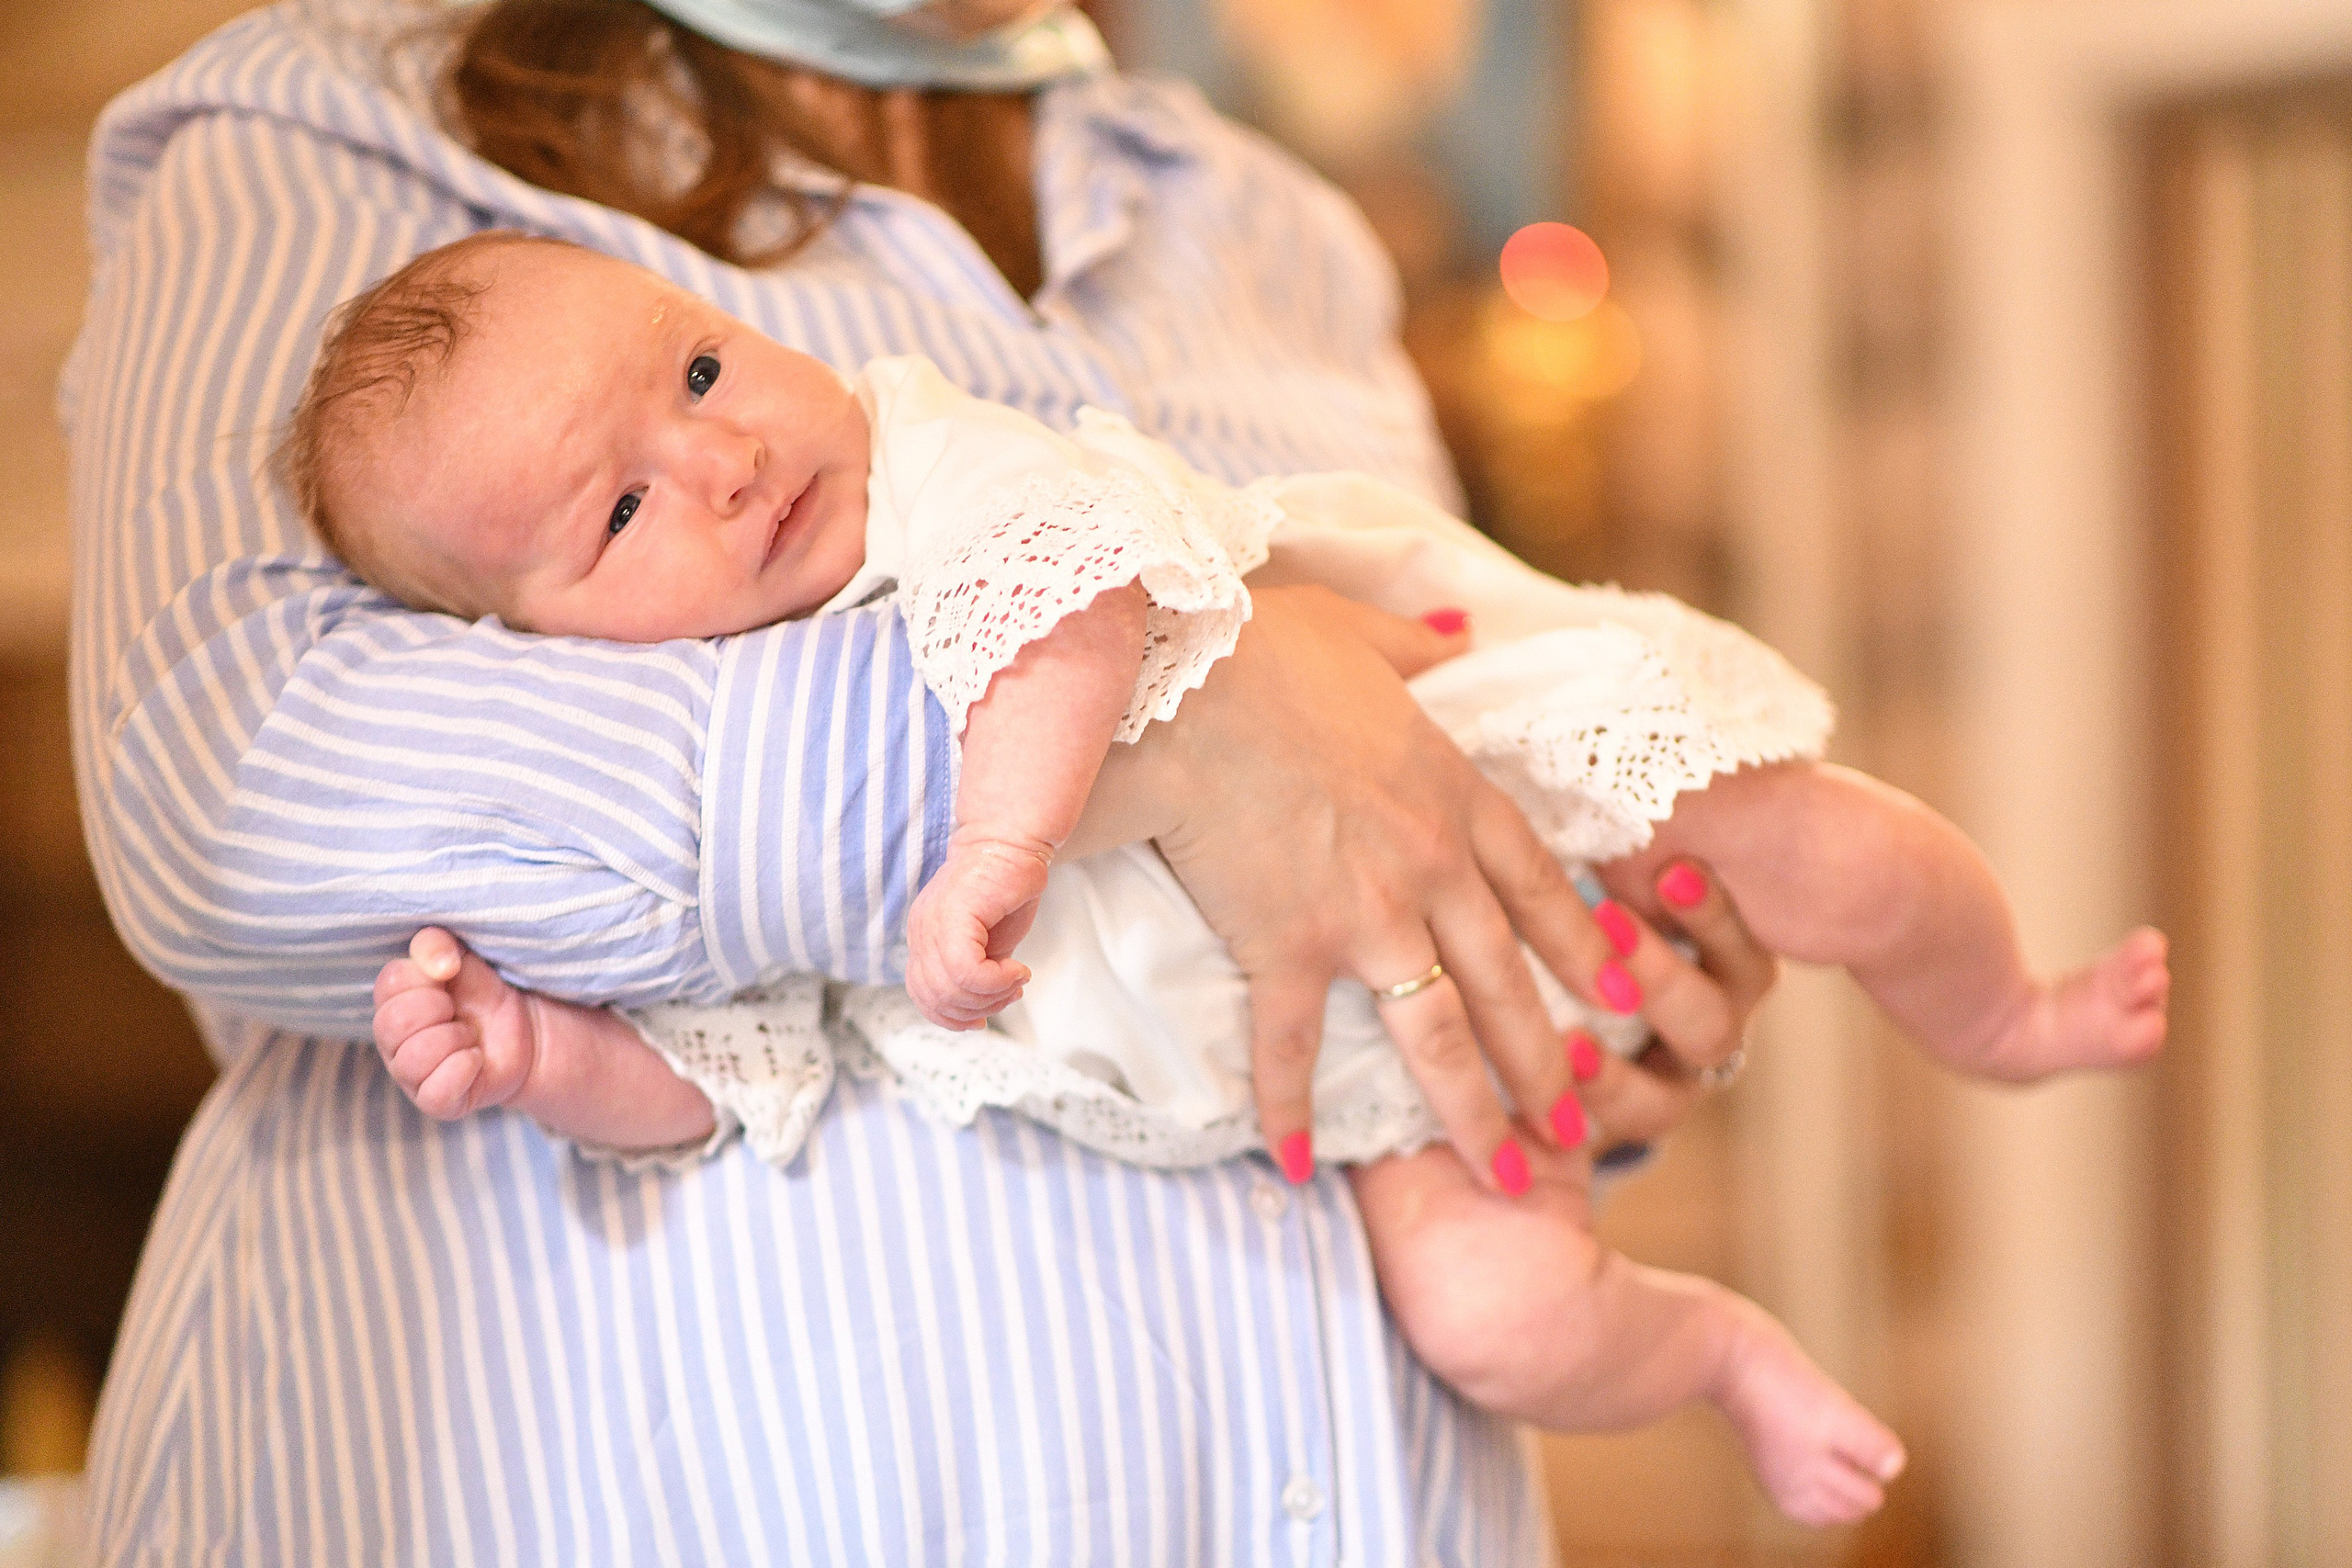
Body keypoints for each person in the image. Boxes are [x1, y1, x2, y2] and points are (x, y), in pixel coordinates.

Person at [69, 0, 1792, 1559]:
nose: (715, 450)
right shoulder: (330, 127)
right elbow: (231, 796)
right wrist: (1176, 711)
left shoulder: (1267, 219)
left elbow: (1398, 813)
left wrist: (1543, 996)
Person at [288, 232, 2165, 1523]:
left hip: (1485, 752)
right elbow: (726, 1077)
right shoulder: (684, 749)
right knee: (1498, 1317)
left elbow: (1061, 612)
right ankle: (1724, 1354)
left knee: (1814, 845)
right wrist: (539, 1057)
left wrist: (1000, 846)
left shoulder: (929, 462)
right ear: (536, 646)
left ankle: (1996, 998)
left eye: (696, 365)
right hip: (1350, 1091)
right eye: (617, 509)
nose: (716, 455)